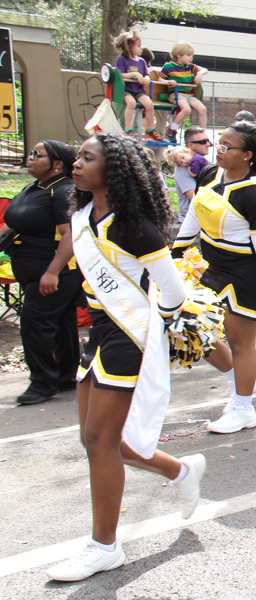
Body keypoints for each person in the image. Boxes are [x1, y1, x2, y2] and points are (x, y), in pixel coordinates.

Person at [46, 132, 205, 582]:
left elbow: (172, 290)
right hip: (97, 333)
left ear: (113, 169)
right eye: (77, 156)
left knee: (100, 443)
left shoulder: (135, 225)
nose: (77, 163)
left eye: (87, 158)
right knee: (99, 442)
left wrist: (160, 330)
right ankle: (180, 471)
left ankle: (104, 546)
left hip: (127, 337)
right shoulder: (82, 216)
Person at [172, 120, 256, 434]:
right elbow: (196, 212)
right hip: (211, 269)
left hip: (243, 277)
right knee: (191, 329)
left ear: (247, 155)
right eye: (218, 144)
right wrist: (177, 251)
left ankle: (243, 410)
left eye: (226, 147)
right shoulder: (209, 173)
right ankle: (241, 379)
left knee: (240, 342)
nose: (218, 151)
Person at [0, 141, 83, 405]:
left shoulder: (62, 190)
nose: (30, 157)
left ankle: (42, 383)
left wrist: (52, 272)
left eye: (38, 154)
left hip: (54, 271)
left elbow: (70, 235)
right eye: (30, 153)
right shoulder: (33, 188)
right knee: (61, 323)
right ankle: (66, 376)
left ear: (57, 164)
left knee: (34, 324)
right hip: (30, 268)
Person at [112, 31, 163, 143]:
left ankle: (150, 129)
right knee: (131, 103)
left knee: (149, 104)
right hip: (127, 90)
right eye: (138, 46)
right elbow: (120, 74)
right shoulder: (122, 59)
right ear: (129, 47)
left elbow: (146, 74)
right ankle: (128, 129)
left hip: (138, 91)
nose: (141, 49)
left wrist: (146, 79)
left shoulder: (142, 61)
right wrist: (135, 74)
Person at [159, 41, 208, 142]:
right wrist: (168, 81)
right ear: (178, 55)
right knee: (186, 109)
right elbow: (160, 79)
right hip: (176, 94)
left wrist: (200, 74)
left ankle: (204, 135)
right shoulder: (169, 66)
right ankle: (172, 130)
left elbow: (205, 69)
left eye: (192, 55)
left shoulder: (190, 67)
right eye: (188, 55)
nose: (191, 58)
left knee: (202, 109)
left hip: (189, 95)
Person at [165, 145, 194, 223]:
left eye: (183, 157)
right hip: (189, 218)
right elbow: (194, 197)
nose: (184, 161)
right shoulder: (182, 171)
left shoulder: (193, 166)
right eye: (181, 161)